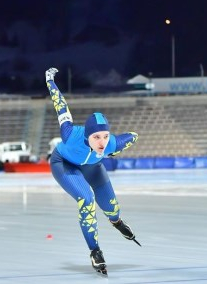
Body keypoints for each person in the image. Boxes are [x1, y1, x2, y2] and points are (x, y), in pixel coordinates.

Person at [45, 67, 140, 276]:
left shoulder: (111, 144)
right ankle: (95, 251)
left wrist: (115, 150)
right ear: (87, 135)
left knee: (112, 207)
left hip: (92, 167)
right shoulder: (70, 134)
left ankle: (116, 222)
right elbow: (59, 104)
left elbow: (133, 135)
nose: (102, 142)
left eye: (105, 136)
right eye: (96, 137)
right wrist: (50, 80)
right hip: (64, 164)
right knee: (86, 199)